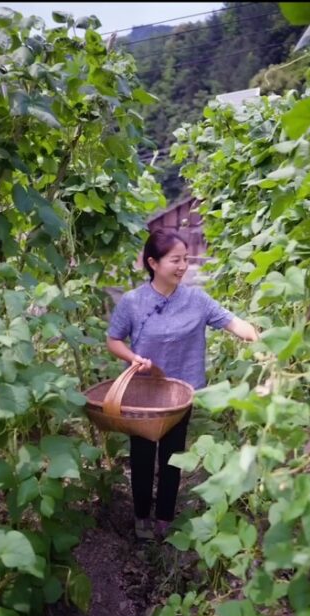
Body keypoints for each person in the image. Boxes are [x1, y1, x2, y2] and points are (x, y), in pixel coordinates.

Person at [106, 228, 259, 540]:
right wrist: (133, 357)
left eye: (185, 259)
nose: (182, 266)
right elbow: (113, 340)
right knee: (142, 455)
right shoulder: (133, 302)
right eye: (175, 260)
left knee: (173, 456)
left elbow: (232, 322)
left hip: (181, 393)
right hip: (143, 393)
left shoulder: (196, 299)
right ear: (153, 262)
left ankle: (164, 518)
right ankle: (140, 517)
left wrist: (257, 336)